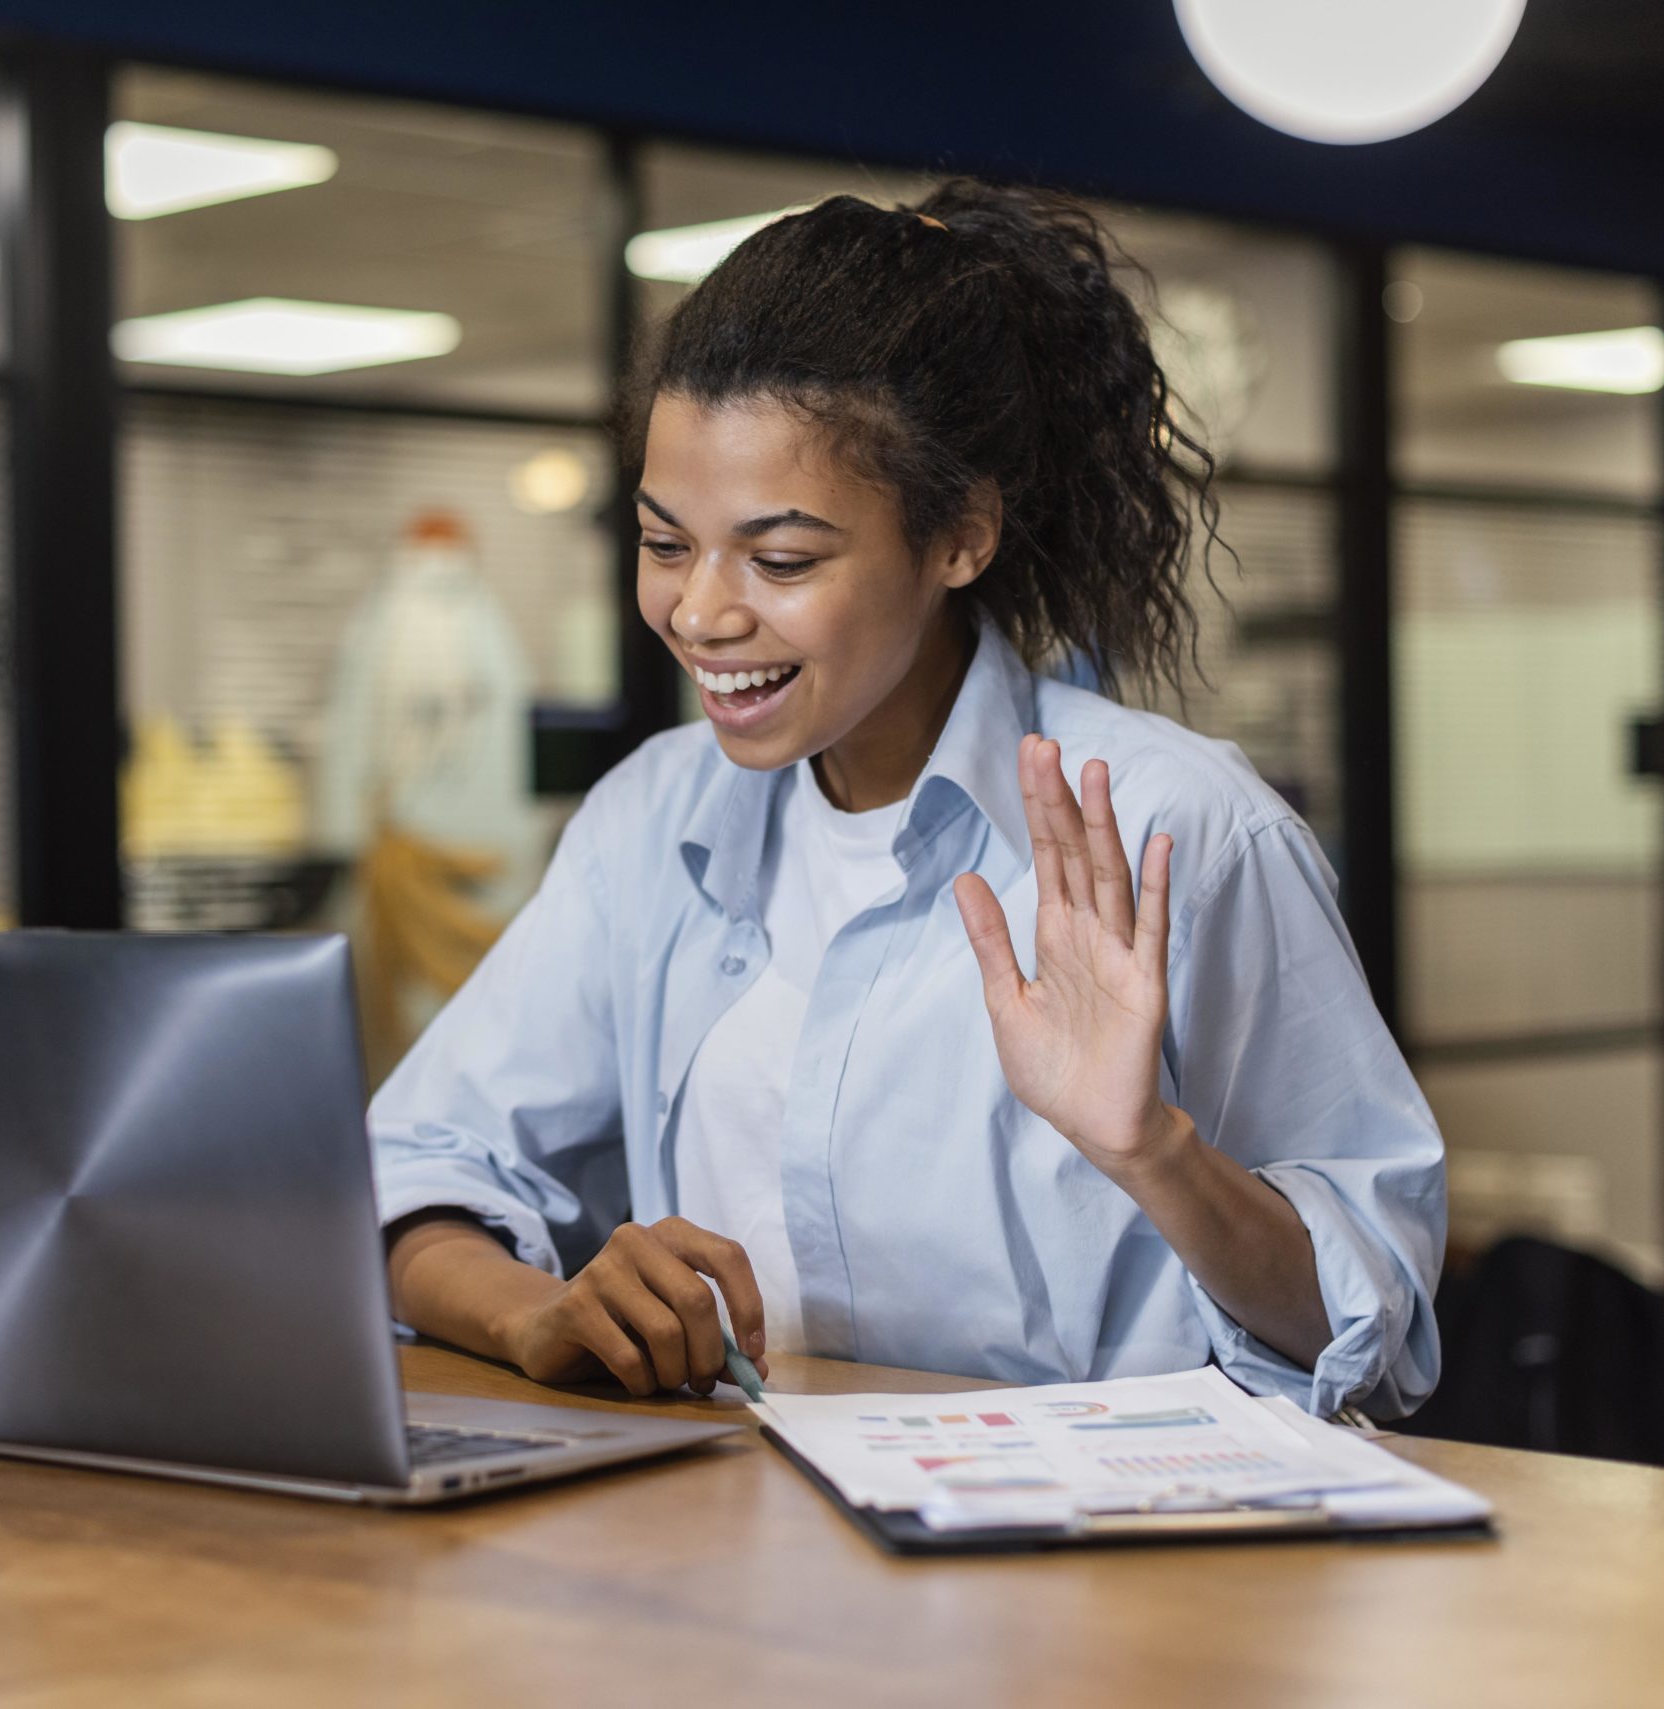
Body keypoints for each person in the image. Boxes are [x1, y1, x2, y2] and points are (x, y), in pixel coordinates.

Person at [370, 180, 1443, 1421]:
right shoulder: (649, 822)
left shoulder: (1176, 830)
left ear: (959, 539)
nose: (703, 612)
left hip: (1101, 1582)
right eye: (666, 543)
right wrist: (537, 1308)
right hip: (738, 1557)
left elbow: (1379, 1322)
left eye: (781, 559)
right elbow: (414, 1167)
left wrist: (1157, 1153)